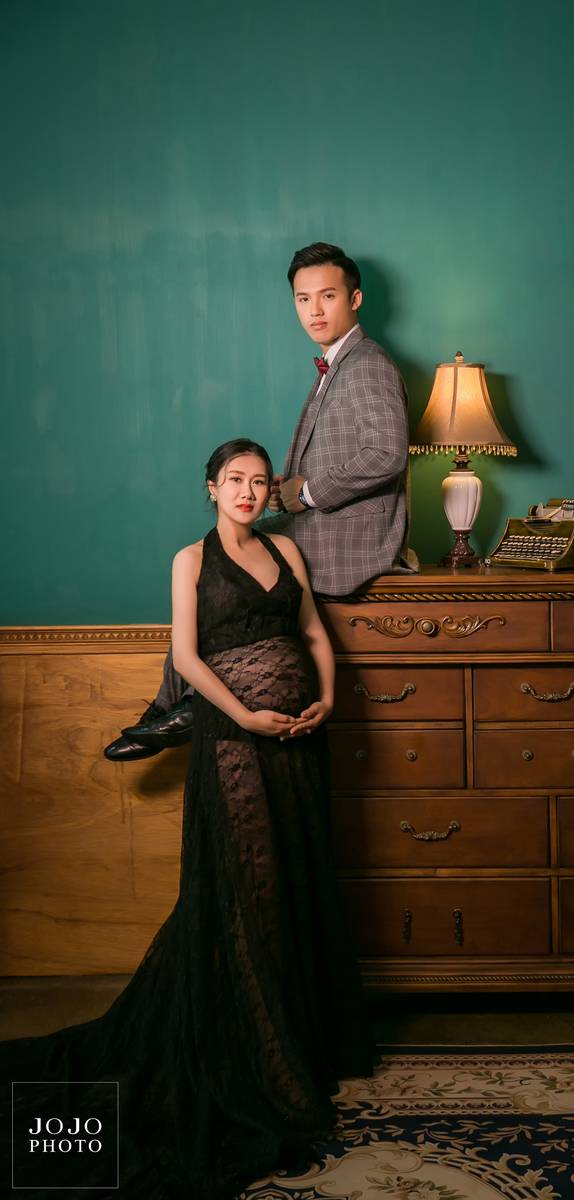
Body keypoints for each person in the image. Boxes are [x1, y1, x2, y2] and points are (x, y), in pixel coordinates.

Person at [0, 439, 376, 1199]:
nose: (247, 492)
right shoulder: (190, 561)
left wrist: (327, 701)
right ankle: (257, 1048)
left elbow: (312, 634)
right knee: (248, 889)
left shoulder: (287, 553)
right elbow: (189, 658)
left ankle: (299, 1038)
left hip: (300, 741)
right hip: (235, 743)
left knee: (295, 878)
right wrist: (246, 717)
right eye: (234, 480)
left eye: (259, 482)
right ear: (211, 488)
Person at [106, 242, 417, 762]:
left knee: (219, 562)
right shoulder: (338, 364)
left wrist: (306, 492)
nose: (314, 310)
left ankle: (177, 709)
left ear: (355, 298)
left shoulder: (367, 363)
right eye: (303, 299)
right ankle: (176, 705)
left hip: (348, 542)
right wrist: (284, 489)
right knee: (218, 555)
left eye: (328, 296)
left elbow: (387, 454)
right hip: (323, 525)